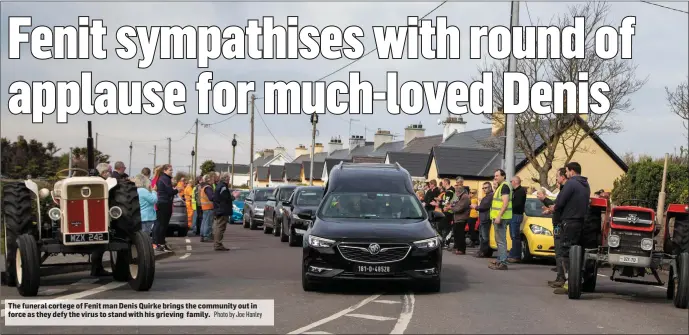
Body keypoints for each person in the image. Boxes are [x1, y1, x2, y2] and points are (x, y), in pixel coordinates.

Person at [553, 162, 590, 294]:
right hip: (580, 222)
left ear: (572, 171)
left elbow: (560, 202)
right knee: (576, 252)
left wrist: (555, 208)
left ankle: (570, 282)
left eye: (567, 171)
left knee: (566, 252)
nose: (566, 174)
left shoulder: (571, 183)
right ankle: (576, 280)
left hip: (569, 222)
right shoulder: (585, 184)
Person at [90, 163, 114, 276]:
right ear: (104, 173)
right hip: (98, 218)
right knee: (99, 245)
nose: (109, 174)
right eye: (108, 172)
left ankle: (96, 268)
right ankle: (96, 269)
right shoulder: (102, 183)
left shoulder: (96, 181)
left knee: (98, 246)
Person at [489, 169, 512, 270]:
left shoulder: (505, 186)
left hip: (501, 218)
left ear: (503, 176)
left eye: (497, 176)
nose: (495, 178)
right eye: (495, 176)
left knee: (501, 241)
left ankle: (503, 262)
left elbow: (505, 203)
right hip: (499, 217)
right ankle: (500, 260)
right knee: (499, 240)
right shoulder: (500, 187)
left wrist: (499, 216)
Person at [212, 172, 241, 251]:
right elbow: (226, 199)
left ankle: (217, 244)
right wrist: (234, 196)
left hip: (219, 209)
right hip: (222, 210)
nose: (229, 180)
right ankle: (218, 244)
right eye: (229, 178)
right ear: (226, 179)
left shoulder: (220, 186)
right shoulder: (223, 187)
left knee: (219, 227)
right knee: (220, 228)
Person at [154, 164, 177, 252]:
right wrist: (177, 190)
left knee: (163, 225)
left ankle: (161, 243)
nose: (171, 172)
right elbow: (170, 192)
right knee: (162, 225)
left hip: (164, 202)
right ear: (165, 171)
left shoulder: (164, 178)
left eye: (172, 170)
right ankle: (159, 244)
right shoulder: (165, 179)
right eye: (170, 170)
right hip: (164, 203)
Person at [507, 176, 527, 263]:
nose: (510, 183)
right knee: (513, 236)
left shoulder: (520, 191)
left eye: (511, 181)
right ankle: (513, 254)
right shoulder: (515, 191)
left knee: (515, 236)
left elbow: (517, 204)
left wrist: (508, 207)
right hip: (514, 215)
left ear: (515, 181)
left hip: (516, 215)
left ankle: (516, 256)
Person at [450, 180, 471, 255]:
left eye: (456, 191)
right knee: (456, 233)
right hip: (457, 218)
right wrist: (452, 206)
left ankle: (461, 249)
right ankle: (458, 248)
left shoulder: (465, 197)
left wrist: (451, 208)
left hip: (462, 218)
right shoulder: (460, 196)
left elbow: (459, 208)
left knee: (460, 234)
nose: (455, 193)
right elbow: (453, 203)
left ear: (459, 191)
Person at [473, 182, 494, 257]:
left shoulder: (490, 196)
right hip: (483, 218)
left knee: (485, 237)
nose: (484, 189)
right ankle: (483, 251)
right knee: (482, 236)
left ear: (490, 188)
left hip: (486, 218)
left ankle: (484, 252)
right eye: (483, 188)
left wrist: (475, 207)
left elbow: (483, 206)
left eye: (486, 188)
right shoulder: (487, 196)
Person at [438, 179, 455, 249]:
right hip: (446, 212)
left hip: (448, 212)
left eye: (443, 183)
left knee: (443, 227)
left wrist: (440, 201)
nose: (442, 184)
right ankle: (444, 243)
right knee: (443, 227)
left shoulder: (450, 191)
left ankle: (445, 243)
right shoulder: (448, 191)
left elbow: (446, 202)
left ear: (446, 183)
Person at [199, 174, 216, 242]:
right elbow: (211, 197)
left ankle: (202, 235)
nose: (213, 180)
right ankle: (207, 236)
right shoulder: (208, 187)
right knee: (208, 222)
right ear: (208, 179)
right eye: (212, 179)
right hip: (209, 207)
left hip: (204, 207)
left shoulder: (203, 187)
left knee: (204, 222)